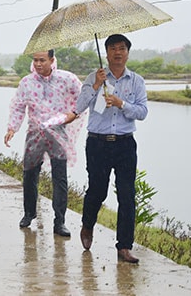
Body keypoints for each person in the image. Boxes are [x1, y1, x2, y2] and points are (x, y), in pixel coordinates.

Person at [75, 34, 148, 264]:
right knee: (98, 191)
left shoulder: (136, 81)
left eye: (122, 48)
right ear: (106, 53)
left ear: (128, 52)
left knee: (127, 195)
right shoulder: (94, 77)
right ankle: (87, 225)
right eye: (113, 48)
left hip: (125, 143)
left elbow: (142, 112)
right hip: (97, 143)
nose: (118, 52)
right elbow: (78, 107)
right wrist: (96, 85)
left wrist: (120, 103)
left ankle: (124, 247)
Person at [4, 49, 83, 237]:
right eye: (35, 60)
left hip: (58, 133)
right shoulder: (27, 82)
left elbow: (82, 99)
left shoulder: (67, 79)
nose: (38, 64)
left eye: (42, 60)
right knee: (29, 174)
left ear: (52, 60)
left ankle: (60, 221)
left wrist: (72, 114)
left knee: (60, 177)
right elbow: (18, 106)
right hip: (35, 133)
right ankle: (29, 213)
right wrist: (12, 128)